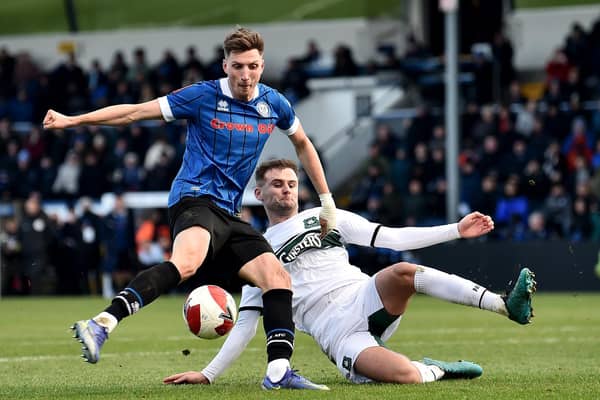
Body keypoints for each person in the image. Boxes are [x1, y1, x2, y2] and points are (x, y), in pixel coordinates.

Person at [43, 27, 337, 390]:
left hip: (229, 213)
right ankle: (102, 323)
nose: (246, 75)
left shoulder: (273, 103)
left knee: (277, 279)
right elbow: (134, 113)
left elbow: (304, 144)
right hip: (193, 198)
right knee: (186, 264)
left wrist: (327, 202)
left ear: (262, 66)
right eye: (239, 66)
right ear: (225, 65)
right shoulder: (202, 96)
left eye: (254, 67)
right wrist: (73, 120)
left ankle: (278, 373)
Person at [163, 159, 536, 386]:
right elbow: (245, 324)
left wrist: (455, 229)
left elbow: (390, 236)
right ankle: (437, 370)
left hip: (363, 295)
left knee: (403, 270)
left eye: (292, 184)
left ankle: (504, 305)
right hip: (336, 332)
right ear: (258, 193)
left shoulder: (326, 217)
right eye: (277, 185)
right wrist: (208, 374)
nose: (287, 191)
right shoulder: (254, 251)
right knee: (405, 377)